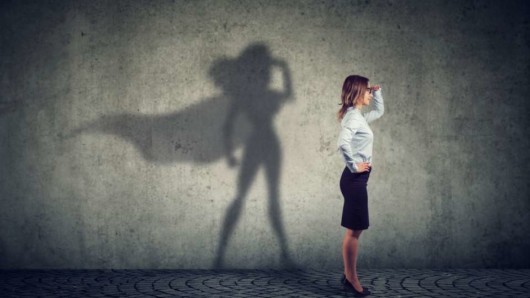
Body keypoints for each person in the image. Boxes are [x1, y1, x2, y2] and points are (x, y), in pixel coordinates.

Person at [336, 75, 384, 295]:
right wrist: (355, 166)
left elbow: (379, 112)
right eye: (366, 91)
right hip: (354, 180)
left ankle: (349, 276)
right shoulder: (353, 118)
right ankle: (352, 280)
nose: (369, 94)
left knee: (355, 230)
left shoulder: (357, 116)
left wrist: (378, 93)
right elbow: (342, 144)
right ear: (356, 92)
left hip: (356, 180)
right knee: (354, 232)